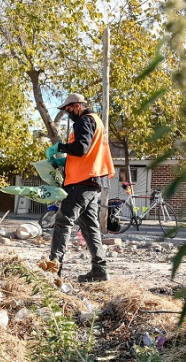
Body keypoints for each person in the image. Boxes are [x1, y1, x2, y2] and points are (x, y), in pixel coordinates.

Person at [46, 93, 115, 282]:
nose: (68, 114)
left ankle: (53, 269)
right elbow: (86, 153)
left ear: (77, 106)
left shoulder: (84, 121)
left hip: (80, 182)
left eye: (68, 110)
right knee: (90, 227)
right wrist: (66, 160)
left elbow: (81, 148)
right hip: (93, 182)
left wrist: (60, 147)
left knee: (63, 222)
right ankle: (99, 271)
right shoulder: (97, 121)